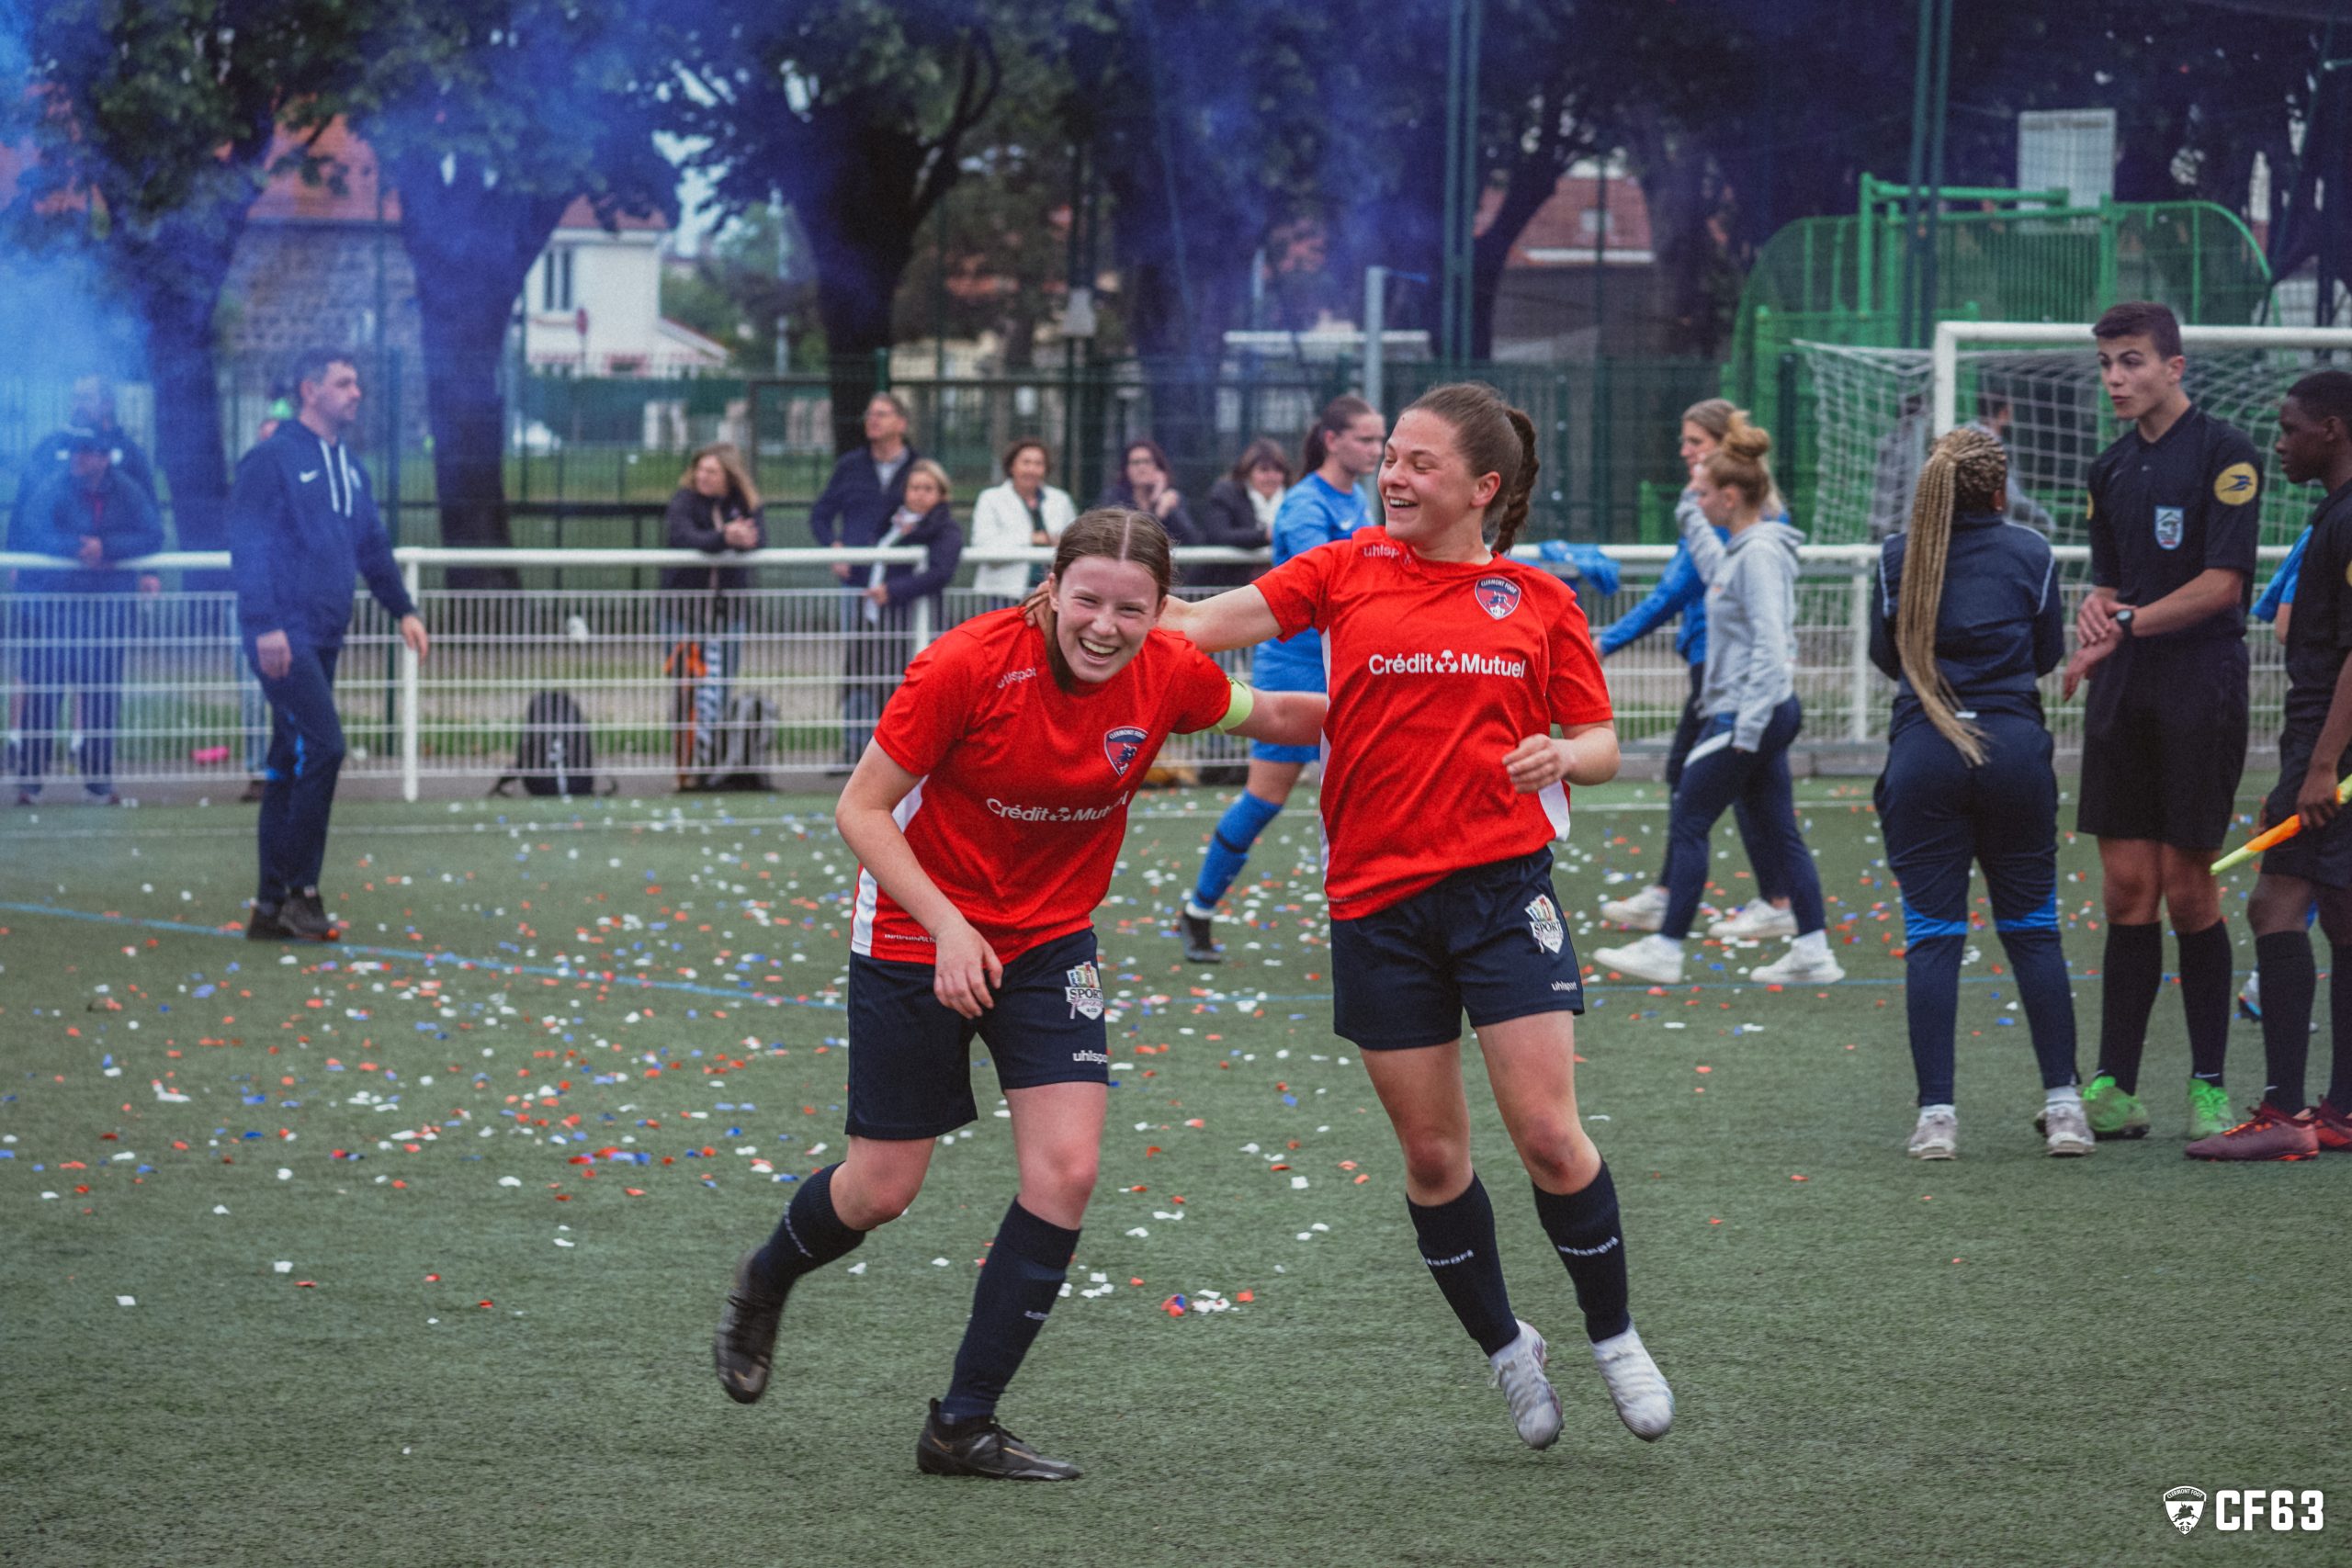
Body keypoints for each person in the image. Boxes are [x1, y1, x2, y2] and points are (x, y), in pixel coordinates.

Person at [711, 509, 1328, 1479]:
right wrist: (949, 927)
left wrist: (1421, 704)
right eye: (1087, 601)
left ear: (1162, 610)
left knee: (1065, 1173)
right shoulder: (963, 665)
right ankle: (768, 1272)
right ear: (1050, 589)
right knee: (881, 1190)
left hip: (1048, 942)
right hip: (916, 930)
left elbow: (1279, 717)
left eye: (1131, 609)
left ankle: (961, 1424)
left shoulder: (1172, 670)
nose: (1105, 626)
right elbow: (860, 809)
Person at [1151, 381, 1674, 1453]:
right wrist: (1101, 609)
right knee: (1434, 1159)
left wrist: (1562, 754)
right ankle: (1506, 1351)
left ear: (1482, 487)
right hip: (1376, 907)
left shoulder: (1537, 599)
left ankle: (1614, 1334)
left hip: (1501, 895)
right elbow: (1202, 626)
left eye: (1417, 462)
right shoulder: (1343, 567)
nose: (1391, 475)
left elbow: (1601, 743)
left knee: (1548, 1135)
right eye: (1389, 455)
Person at [2061, 301, 2264, 1142]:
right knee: (2126, 891)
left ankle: (2209, 1085)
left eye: (2132, 360)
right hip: (2125, 688)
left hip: (2200, 685)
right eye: (2107, 363)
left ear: (2174, 367)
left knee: (2189, 889)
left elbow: (2224, 585)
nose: (2116, 378)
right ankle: (2113, 1086)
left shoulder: (2227, 453)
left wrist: (2130, 620)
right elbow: (2110, 582)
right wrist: (2095, 617)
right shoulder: (2108, 467)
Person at [1865, 427, 2087, 1158]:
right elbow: (2048, 652)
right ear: (1998, 491)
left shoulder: (1895, 557)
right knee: (2033, 930)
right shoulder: (2031, 552)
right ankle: (2065, 1110)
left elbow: (1886, 657)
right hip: (2014, 751)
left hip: (1925, 752)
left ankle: (1937, 1119)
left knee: (1934, 938)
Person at [1594, 413, 1840, 987]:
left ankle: (1667, 947)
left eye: (1703, 493)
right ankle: (1813, 950)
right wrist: (1690, 503)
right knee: (1778, 830)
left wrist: (1745, 727)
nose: (1696, 499)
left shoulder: (1758, 554)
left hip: (1749, 714)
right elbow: (1709, 562)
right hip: (1755, 712)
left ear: (1730, 498)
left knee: (1690, 816)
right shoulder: (1740, 549)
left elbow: (1772, 646)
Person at [2188, 370, 2352, 1159]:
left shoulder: (2349, 518)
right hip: (2325, 746)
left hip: (2331, 747)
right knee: (2344, 915)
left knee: (2273, 908)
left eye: (2290, 429)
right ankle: (2343, 1110)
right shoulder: (2333, 515)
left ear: (2333, 429)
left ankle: (2285, 1112)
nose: (2279, 444)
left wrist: (2318, 767)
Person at [228, 348, 429, 942]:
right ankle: (302, 892)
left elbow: (372, 545)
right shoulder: (272, 458)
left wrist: (403, 608)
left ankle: (270, 907)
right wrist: (265, 622)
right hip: (283, 632)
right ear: (310, 389)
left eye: (357, 382)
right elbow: (248, 543)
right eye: (344, 382)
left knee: (290, 757)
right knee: (325, 745)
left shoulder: (350, 467)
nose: (357, 392)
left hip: (324, 629)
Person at [1180, 398, 1381, 963]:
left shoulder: (1358, 498)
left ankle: (1373, 918)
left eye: (1379, 439)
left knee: (1362, 793)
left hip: (1343, 662)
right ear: (1332, 441)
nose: (1376, 450)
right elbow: (1335, 582)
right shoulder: (1304, 505)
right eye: (1366, 439)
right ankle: (1199, 909)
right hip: (1294, 664)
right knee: (1266, 797)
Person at [10, 429, 163, 807]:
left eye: (86, 452)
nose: (77, 458)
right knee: (44, 693)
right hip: (53, 609)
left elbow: (152, 534)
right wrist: (77, 549)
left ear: (103, 458)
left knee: (102, 695)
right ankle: (30, 780)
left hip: (106, 610)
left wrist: (107, 548)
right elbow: (32, 530)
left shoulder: (127, 491)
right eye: (75, 451)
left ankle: (98, 782)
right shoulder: (54, 486)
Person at [808, 392, 920, 764]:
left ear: (901, 423)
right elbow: (820, 514)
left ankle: (896, 750)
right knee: (857, 660)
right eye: (870, 414)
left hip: (900, 586)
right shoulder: (851, 466)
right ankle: (855, 749)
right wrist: (834, 546)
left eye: (882, 414)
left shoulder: (919, 468)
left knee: (901, 663)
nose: (873, 420)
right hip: (856, 583)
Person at [661, 445, 767, 785]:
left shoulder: (744, 502)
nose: (703, 477)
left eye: (712, 471)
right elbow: (685, 537)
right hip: (684, 612)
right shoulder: (684, 501)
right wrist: (725, 537)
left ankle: (712, 764)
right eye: (700, 470)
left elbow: (759, 537)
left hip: (728, 612)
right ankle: (686, 768)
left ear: (728, 476)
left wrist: (742, 539)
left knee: (720, 688)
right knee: (687, 689)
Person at [844, 459, 964, 740]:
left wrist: (892, 590)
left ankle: (904, 748)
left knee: (901, 686)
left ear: (941, 494)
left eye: (927, 489)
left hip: (908, 618)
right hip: (874, 616)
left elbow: (941, 572)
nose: (919, 494)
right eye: (914, 488)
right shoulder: (893, 522)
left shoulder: (945, 528)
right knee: (866, 680)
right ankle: (860, 748)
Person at [21, 376, 157, 508]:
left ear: (107, 404)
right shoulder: (49, 448)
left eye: (86, 398)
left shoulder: (130, 454)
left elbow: (149, 514)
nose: (78, 406)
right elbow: (24, 508)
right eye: (75, 398)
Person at [968, 438, 1076, 606]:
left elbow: (1074, 540)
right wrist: (1032, 538)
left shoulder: (1060, 500)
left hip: (1050, 592)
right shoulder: (991, 498)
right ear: (1012, 466)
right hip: (1004, 592)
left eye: (1038, 463)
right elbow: (983, 543)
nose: (1032, 469)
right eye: (1026, 462)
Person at [1191, 436, 1287, 588]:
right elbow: (1219, 534)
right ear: (1248, 472)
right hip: (1222, 587)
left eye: (1278, 470)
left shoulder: (1293, 499)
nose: (1271, 476)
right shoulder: (1225, 494)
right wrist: (1265, 535)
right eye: (1264, 470)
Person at [1098, 439, 1198, 545]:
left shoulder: (1171, 499)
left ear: (1158, 467)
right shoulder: (1114, 498)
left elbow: (1193, 540)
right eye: (1135, 463)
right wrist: (1158, 515)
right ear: (1126, 469)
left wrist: (1166, 506)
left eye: (1147, 461)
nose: (1142, 468)